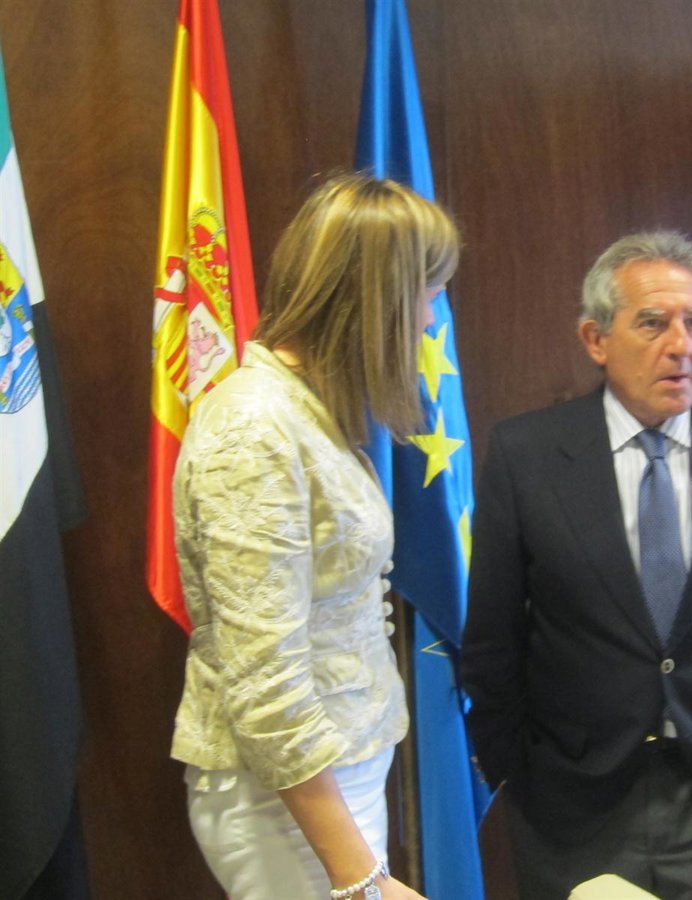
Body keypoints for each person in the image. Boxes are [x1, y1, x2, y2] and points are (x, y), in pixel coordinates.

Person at [461, 231, 692, 899]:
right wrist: (517, 771)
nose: (681, 345)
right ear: (596, 339)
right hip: (577, 808)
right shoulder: (526, 456)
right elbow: (492, 640)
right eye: (654, 323)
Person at [170, 173, 460, 900]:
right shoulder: (254, 430)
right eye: (426, 293)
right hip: (283, 803)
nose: (431, 321)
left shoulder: (305, 411)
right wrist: (359, 878)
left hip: (328, 783)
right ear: (376, 298)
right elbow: (266, 681)